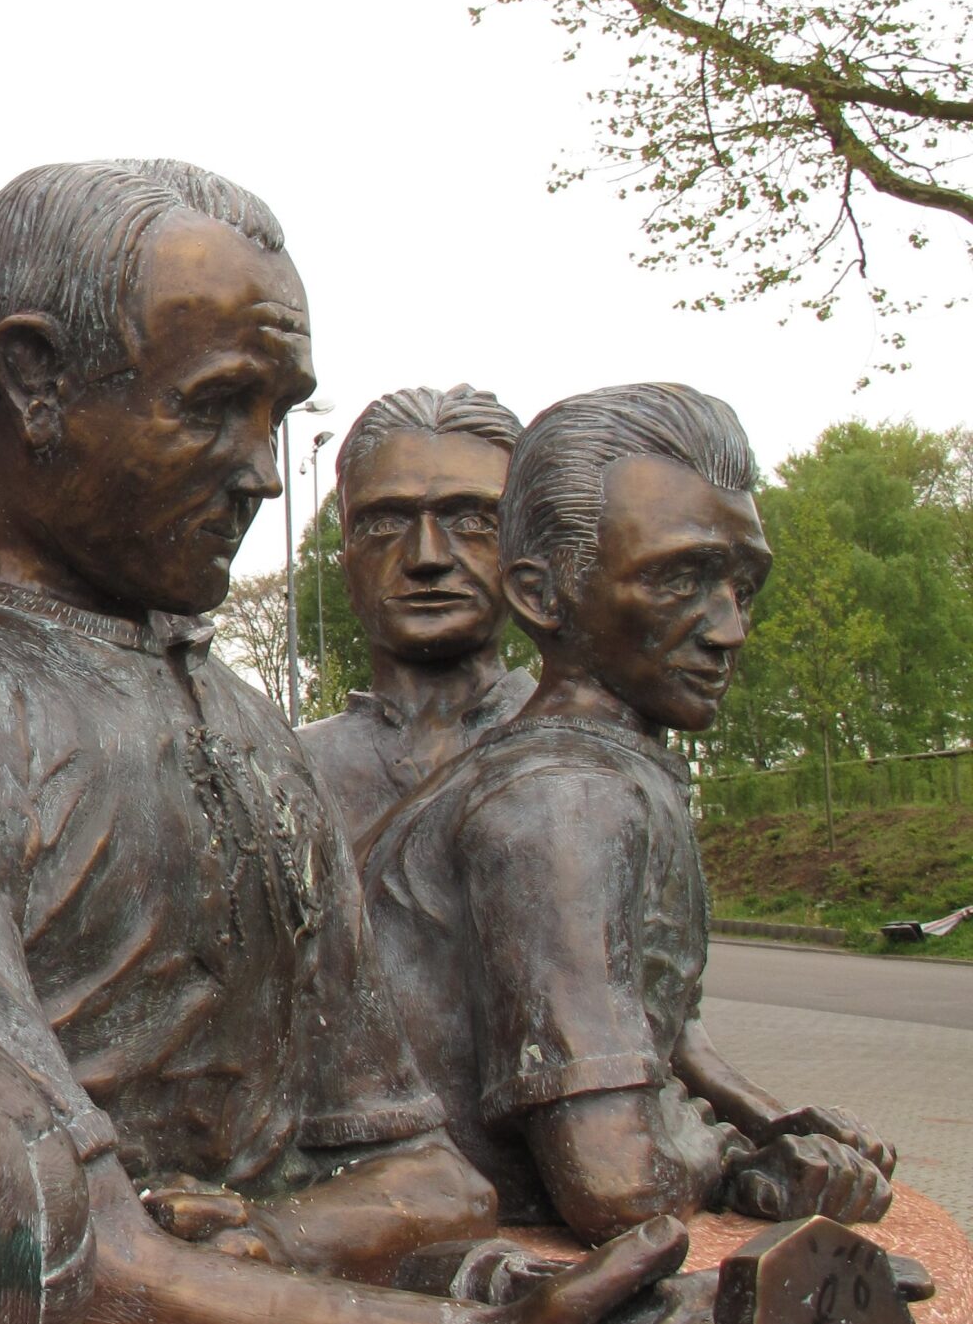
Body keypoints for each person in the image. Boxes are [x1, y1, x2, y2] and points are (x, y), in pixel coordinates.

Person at [0, 161, 705, 1324]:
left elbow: (423, 1171)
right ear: (33, 385)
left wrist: (279, 1246)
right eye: (218, 407)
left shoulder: (241, 721)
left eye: (276, 415)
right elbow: (45, 1254)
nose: (265, 475)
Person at [364, 384, 897, 1240]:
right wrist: (735, 1160)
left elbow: (657, 1025)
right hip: (442, 1225)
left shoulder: (601, 771)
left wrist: (770, 1121)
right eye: (679, 578)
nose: (729, 629)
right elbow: (616, 1185)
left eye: (743, 585)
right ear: (542, 596)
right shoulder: (564, 802)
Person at [299, 385, 532, 852]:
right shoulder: (287, 765)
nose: (427, 557)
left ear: (524, 551)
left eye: (471, 521)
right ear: (347, 562)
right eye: (385, 524)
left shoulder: (586, 754)